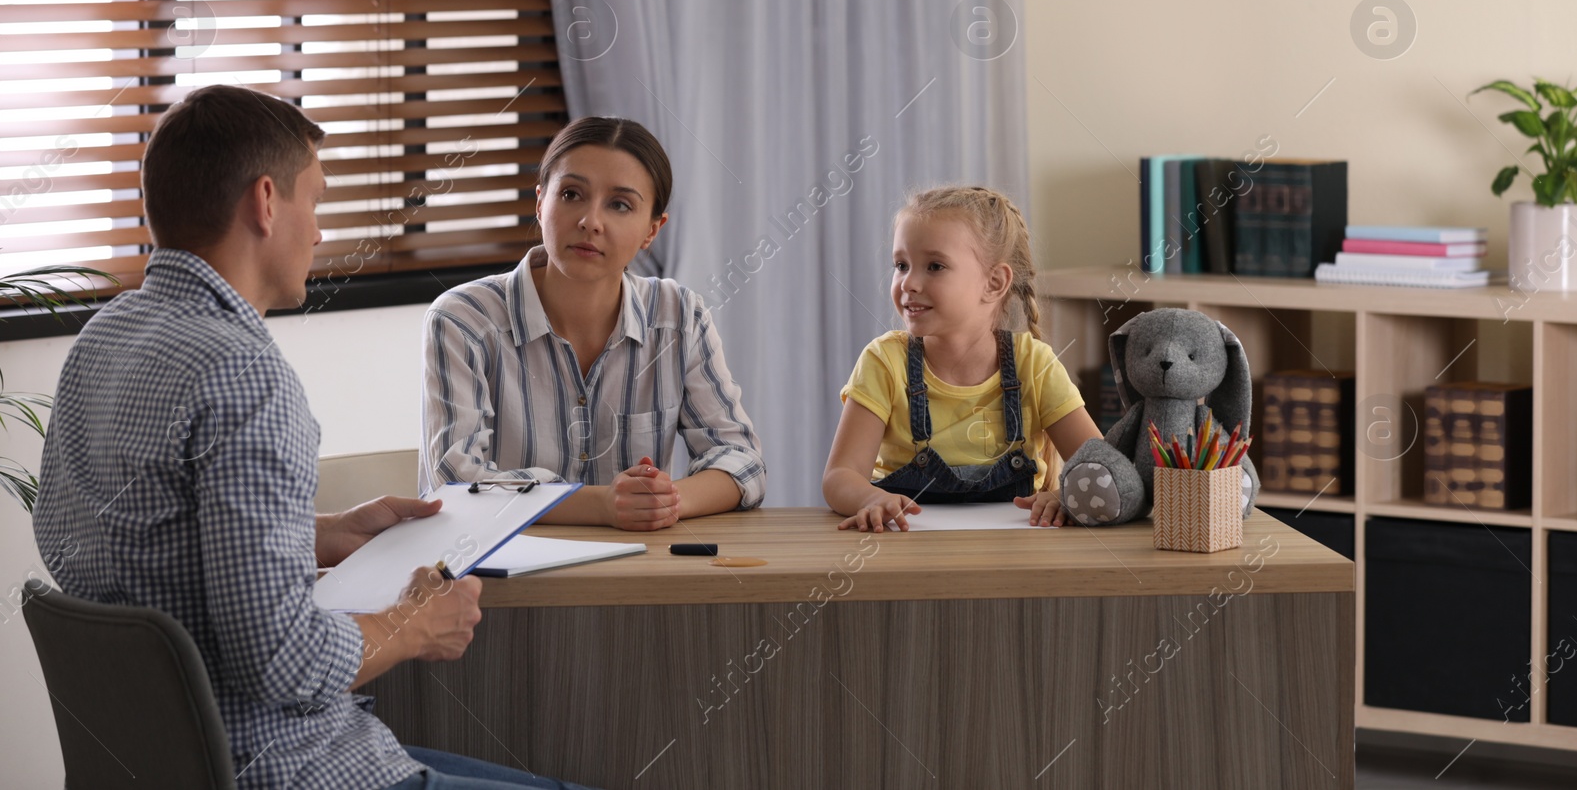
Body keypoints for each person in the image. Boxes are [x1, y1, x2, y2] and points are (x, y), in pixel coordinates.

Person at [33, 85, 593, 790]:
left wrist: (321, 532)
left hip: (163, 763)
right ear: (266, 202)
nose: (321, 231)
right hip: (293, 768)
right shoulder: (244, 377)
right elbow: (283, 661)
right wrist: (414, 623)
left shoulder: (104, 338)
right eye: (316, 201)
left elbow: (99, 544)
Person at [420, 116, 765, 530]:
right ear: (540, 203)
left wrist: (664, 501)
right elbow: (456, 483)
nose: (590, 221)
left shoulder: (679, 317)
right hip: (499, 583)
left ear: (652, 230)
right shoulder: (462, 321)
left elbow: (743, 461)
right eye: (571, 194)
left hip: (639, 574)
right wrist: (603, 505)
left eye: (620, 204)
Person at [822, 185, 1105, 532]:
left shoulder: (1035, 363)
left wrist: (1065, 495)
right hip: (904, 554)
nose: (908, 282)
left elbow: (1102, 469)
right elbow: (839, 477)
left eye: (935, 266)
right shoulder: (884, 362)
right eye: (901, 265)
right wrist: (868, 498)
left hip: (1016, 557)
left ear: (994, 283)